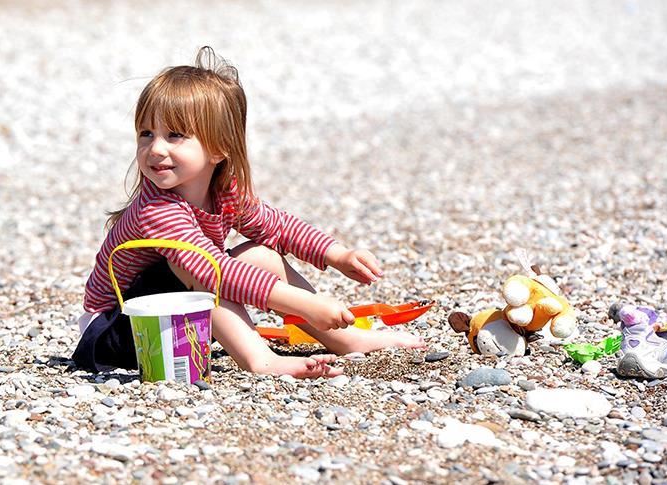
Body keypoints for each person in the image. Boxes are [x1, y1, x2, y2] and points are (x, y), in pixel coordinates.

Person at [73, 47, 425, 378]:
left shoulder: (224, 193)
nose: (155, 148)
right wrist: (304, 304)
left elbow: (277, 226)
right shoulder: (157, 209)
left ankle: (345, 339)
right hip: (119, 333)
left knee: (260, 254)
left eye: (175, 135)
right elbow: (215, 272)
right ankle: (260, 360)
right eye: (146, 134)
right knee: (201, 267)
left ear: (219, 149)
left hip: (174, 320)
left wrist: (337, 255)